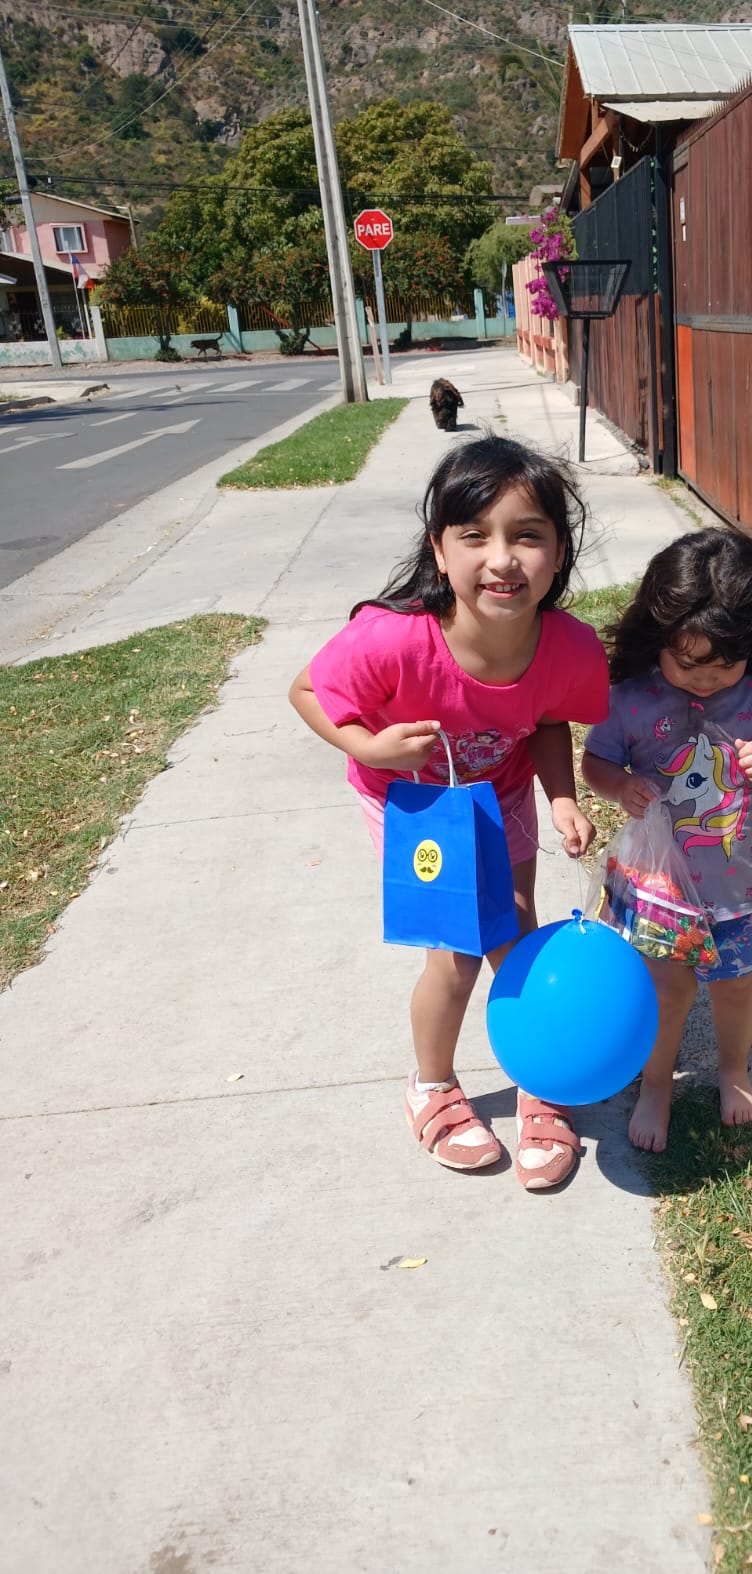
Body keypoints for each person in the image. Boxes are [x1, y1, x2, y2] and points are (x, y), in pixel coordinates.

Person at [289, 435, 609, 1189]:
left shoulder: (568, 647)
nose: (502, 559)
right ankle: (431, 1084)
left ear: (559, 552)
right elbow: (306, 691)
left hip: (499, 790)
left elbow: (549, 720)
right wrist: (367, 746)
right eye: (475, 536)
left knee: (518, 932)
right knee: (458, 952)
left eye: (527, 535)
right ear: (439, 550)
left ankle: (538, 1072)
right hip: (414, 803)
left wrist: (561, 797)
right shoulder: (393, 638)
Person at [581, 528, 752, 1153]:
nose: (706, 680)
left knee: (736, 986)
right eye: (687, 664)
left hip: (743, 885)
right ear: (658, 636)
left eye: (723, 666)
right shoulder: (632, 700)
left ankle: (733, 1070)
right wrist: (620, 785)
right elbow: (595, 763)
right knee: (667, 990)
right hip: (662, 889)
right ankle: (656, 1083)